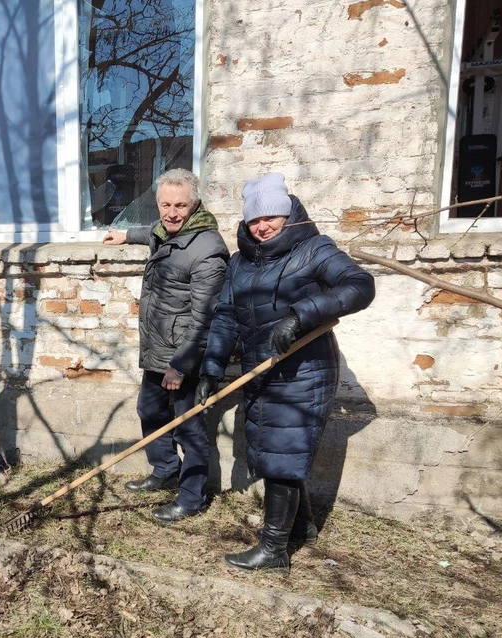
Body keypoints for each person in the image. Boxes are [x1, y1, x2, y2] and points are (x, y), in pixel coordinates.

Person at [197, 172, 375, 571]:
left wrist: (301, 315)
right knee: (279, 451)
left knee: (281, 455)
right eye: (254, 221)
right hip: (261, 369)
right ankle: (302, 528)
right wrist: (211, 368)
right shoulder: (240, 262)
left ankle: (274, 550)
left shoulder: (315, 250)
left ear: (288, 214)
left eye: (270, 218)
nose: (262, 227)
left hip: (304, 370)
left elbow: (360, 285)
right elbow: (225, 317)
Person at [102, 169, 228, 523]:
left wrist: (182, 365)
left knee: (189, 425)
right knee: (150, 411)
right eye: (165, 204)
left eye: (180, 206)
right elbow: (154, 232)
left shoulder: (207, 250)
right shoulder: (170, 231)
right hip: (159, 349)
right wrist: (125, 234)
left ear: (196, 205)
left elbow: (206, 318)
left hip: (183, 355)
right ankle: (165, 469)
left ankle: (192, 497)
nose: (172, 213)